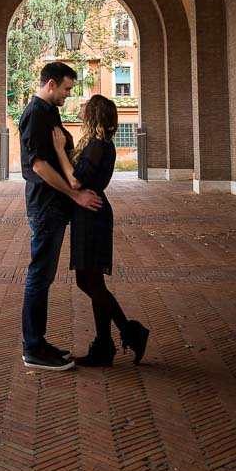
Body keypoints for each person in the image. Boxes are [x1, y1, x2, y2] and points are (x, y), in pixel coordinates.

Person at [52, 94, 149, 366]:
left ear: (93, 113)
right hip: (89, 213)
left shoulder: (98, 146)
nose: (80, 107)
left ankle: (121, 336)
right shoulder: (97, 144)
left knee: (91, 282)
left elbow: (75, 182)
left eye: (85, 105)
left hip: (92, 215)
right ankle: (112, 340)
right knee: (89, 281)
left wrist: (60, 150)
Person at [20, 61, 103, 371]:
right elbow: (39, 166)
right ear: (51, 84)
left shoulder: (50, 111)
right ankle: (32, 348)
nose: (69, 94)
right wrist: (75, 195)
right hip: (46, 207)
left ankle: (38, 342)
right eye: (67, 88)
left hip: (55, 208)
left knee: (44, 277)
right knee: (39, 277)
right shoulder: (35, 115)